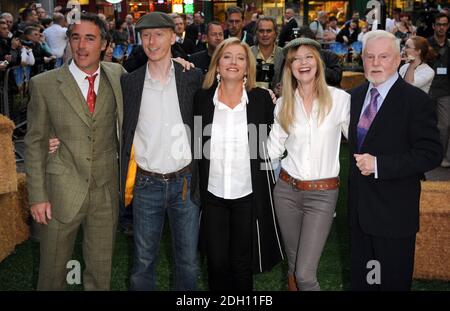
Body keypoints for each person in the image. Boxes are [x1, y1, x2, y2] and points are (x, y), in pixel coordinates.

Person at [24, 13, 124, 290]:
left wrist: (178, 62)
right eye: (75, 38)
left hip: (104, 192)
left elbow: (151, 79)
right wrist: (37, 197)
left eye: (90, 38)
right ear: (68, 42)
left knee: (99, 276)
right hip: (60, 192)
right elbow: (33, 144)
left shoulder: (118, 76)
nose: (81, 46)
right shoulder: (44, 84)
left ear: (104, 44)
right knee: (52, 275)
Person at [348, 30, 441, 291]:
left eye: (384, 56)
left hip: (394, 215)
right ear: (362, 60)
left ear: (398, 59)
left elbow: (430, 153)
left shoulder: (416, 101)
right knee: (365, 282)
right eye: (370, 57)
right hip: (359, 214)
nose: (375, 63)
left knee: (391, 285)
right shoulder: (353, 97)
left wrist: (380, 165)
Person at [120, 12, 203, 291]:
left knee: (188, 261)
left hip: (186, 183)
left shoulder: (192, 77)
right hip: (146, 184)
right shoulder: (129, 83)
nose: (151, 41)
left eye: (158, 34)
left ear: (173, 36)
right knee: (143, 260)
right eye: (145, 35)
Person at [194, 37, 283, 291]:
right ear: (217, 63)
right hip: (213, 195)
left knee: (242, 263)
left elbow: (275, 138)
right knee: (216, 261)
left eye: (240, 58)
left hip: (247, 194)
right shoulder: (201, 99)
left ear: (247, 66)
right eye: (227, 56)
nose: (233, 62)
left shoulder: (261, 100)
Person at [267, 38, 350, 291]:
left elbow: (361, 141)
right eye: (296, 59)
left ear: (318, 62)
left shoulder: (340, 100)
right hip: (286, 192)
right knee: (293, 266)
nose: (303, 63)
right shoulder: (283, 103)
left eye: (308, 57)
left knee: (305, 274)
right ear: (289, 67)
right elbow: (272, 150)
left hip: (322, 195)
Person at [428, 13, 450, 168]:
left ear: (448, 26)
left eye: (444, 24)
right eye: (439, 24)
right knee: (425, 124)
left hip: (445, 90)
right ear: (434, 26)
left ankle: (440, 156)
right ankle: (425, 154)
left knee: (444, 125)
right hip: (427, 88)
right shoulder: (426, 44)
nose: (441, 27)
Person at [251, 16, 284, 93]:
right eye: (261, 31)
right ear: (256, 33)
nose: (265, 34)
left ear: (275, 34)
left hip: (276, 101)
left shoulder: (283, 55)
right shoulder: (247, 53)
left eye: (269, 31)